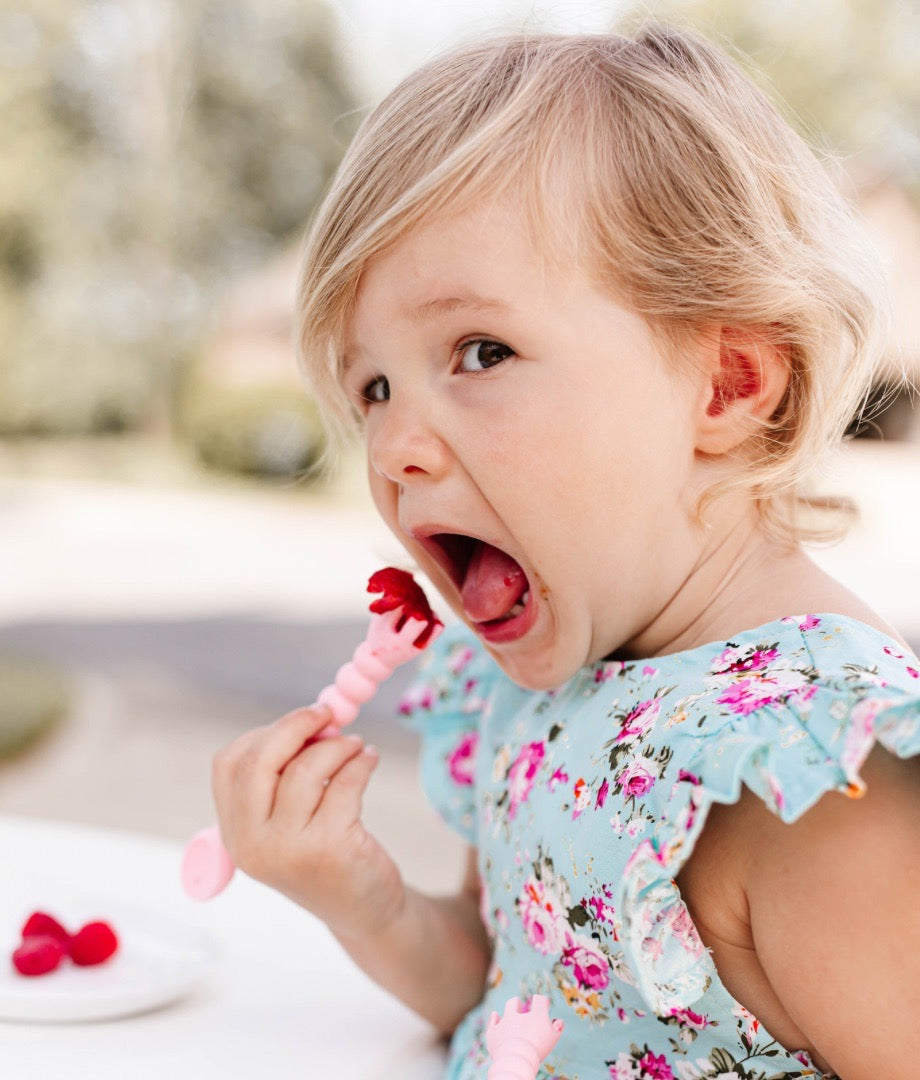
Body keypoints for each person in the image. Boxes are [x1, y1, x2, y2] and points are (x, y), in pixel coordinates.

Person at [211, 24, 919, 1080]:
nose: (393, 449)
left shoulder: (813, 775)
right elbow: (511, 990)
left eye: (480, 352)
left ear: (725, 385)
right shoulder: (551, 680)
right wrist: (358, 895)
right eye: (374, 387)